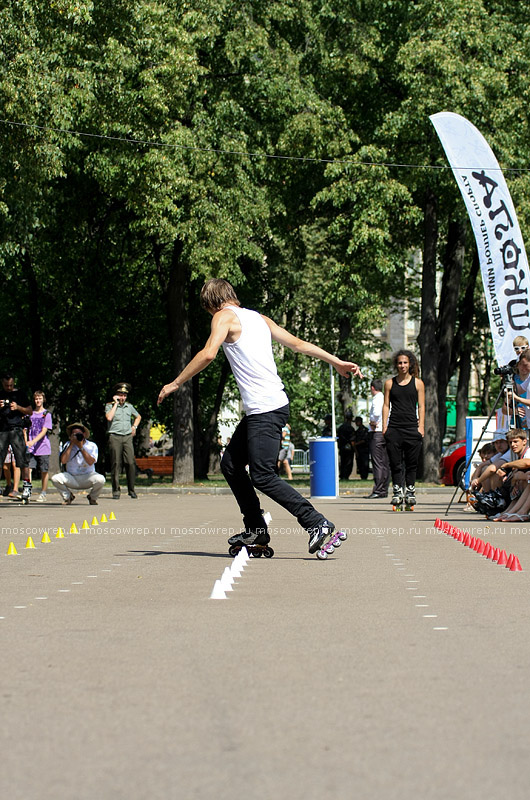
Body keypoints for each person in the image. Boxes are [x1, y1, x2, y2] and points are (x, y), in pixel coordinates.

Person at [158, 278, 363, 554]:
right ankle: (256, 530)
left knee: (263, 475)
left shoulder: (223, 316)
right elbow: (299, 344)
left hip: (265, 409)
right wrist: (335, 361)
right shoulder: (259, 318)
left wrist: (175, 382)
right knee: (230, 464)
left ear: (211, 302)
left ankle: (317, 523)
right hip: (268, 407)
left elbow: (208, 354)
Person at [382, 350, 425, 509]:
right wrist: (384, 426)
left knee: (412, 463)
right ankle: (397, 492)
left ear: (410, 364)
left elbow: (421, 406)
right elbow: (386, 405)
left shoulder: (418, 383)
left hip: (412, 428)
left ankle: (410, 492)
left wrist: (421, 427)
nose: (402, 366)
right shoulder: (389, 383)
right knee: (395, 463)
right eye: (400, 363)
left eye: (405, 362)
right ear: (396, 365)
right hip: (394, 428)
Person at [51, 422, 105, 505]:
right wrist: (71, 444)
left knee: (100, 479)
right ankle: (68, 497)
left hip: (88, 476)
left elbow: (90, 462)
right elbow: (63, 461)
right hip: (72, 477)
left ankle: (92, 497)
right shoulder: (67, 445)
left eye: (78, 434)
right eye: (74, 434)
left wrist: (81, 447)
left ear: (84, 434)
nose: (77, 436)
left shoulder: (92, 445)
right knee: (55, 478)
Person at [105, 382, 141, 499]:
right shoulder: (110, 406)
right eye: (121, 395)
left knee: (130, 462)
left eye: (125, 395)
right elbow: (109, 417)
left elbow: (138, 416)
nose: (123, 397)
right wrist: (115, 403)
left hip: (127, 437)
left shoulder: (129, 407)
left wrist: (134, 427)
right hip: (115, 436)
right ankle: (116, 490)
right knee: (116, 463)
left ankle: (131, 489)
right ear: (116, 395)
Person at [0, 373, 33, 501]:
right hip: (2, 430)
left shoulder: (20, 394)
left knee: (22, 460)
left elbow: (30, 411)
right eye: (6, 385)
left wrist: (18, 407)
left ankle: (26, 487)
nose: (9, 387)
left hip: (16, 429)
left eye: (11, 385)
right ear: (2, 383)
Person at [27, 390, 52, 502]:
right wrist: (27, 441)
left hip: (43, 446)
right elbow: (26, 429)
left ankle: (43, 492)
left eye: (40, 398)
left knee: (44, 470)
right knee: (29, 469)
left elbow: (44, 431)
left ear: (43, 399)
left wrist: (34, 441)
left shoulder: (46, 414)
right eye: (36, 398)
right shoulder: (30, 414)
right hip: (31, 447)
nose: (38, 400)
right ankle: (28, 490)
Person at [367, 379, 389, 498]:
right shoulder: (385, 398)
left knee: (377, 462)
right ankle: (384, 488)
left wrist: (372, 422)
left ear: (372, 388)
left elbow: (375, 413)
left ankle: (378, 489)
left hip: (376, 432)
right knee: (384, 462)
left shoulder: (376, 399)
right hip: (385, 432)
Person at [337, 410, 355, 480]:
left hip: (342, 447)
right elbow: (352, 440)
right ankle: (345, 476)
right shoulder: (350, 428)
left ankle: (342, 475)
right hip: (349, 448)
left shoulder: (341, 427)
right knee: (348, 463)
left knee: (342, 461)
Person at [353, 415, 370, 480]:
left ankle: (365, 476)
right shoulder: (357, 432)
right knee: (359, 464)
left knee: (365, 464)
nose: (356, 423)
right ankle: (362, 476)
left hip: (364, 450)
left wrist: (356, 444)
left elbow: (365, 440)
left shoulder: (365, 430)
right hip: (359, 450)